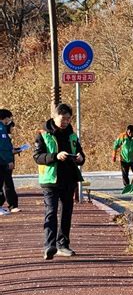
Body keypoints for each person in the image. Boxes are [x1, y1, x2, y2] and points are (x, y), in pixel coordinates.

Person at [33, 104, 85, 260]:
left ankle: (63, 245)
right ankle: (49, 246)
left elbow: (80, 154)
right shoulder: (43, 134)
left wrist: (81, 158)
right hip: (50, 180)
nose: (66, 122)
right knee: (51, 212)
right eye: (63, 119)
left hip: (69, 179)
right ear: (54, 117)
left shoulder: (72, 135)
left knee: (66, 213)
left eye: (69, 119)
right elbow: (38, 157)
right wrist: (55, 156)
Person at [2, 120, 21, 213]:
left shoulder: (7, 135)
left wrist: (14, 150)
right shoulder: (2, 133)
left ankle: (13, 205)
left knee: (8, 183)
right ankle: (11, 205)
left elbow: (8, 149)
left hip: (6, 162)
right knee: (7, 184)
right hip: (4, 162)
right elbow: (4, 150)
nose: (12, 129)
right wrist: (9, 160)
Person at [0, 109, 15, 216]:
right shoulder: (1, 129)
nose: (9, 120)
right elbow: (3, 148)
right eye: (9, 118)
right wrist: (8, 160)